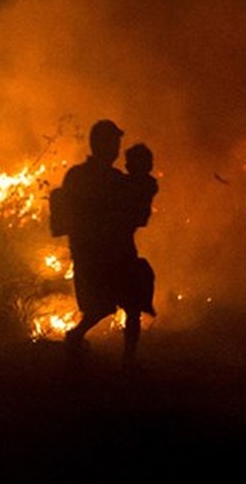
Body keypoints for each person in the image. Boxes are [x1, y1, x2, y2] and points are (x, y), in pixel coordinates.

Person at [62, 120, 157, 365]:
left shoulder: (88, 177)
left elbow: (136, 213)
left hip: (113, 252)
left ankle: (126, 359)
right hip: (101, 254)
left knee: (127, 305)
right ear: (100, 145)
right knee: (106, 306)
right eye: (113, 142)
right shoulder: (100, 179)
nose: (116, 148)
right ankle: (78, 339)